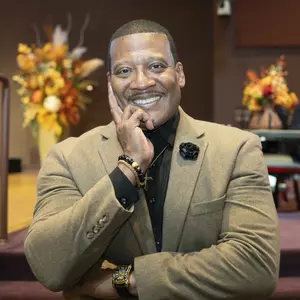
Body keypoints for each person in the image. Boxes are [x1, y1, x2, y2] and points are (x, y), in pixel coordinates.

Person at [24, 19, 280, 300]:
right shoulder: (67, 158)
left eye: (156, 66)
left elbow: (256, 267)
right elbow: (49, 266)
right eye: (124, 71)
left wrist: (126, 280)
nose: (142, 83)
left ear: (179, 74)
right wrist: (127, 170)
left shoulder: (236, 150)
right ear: (110, 83)